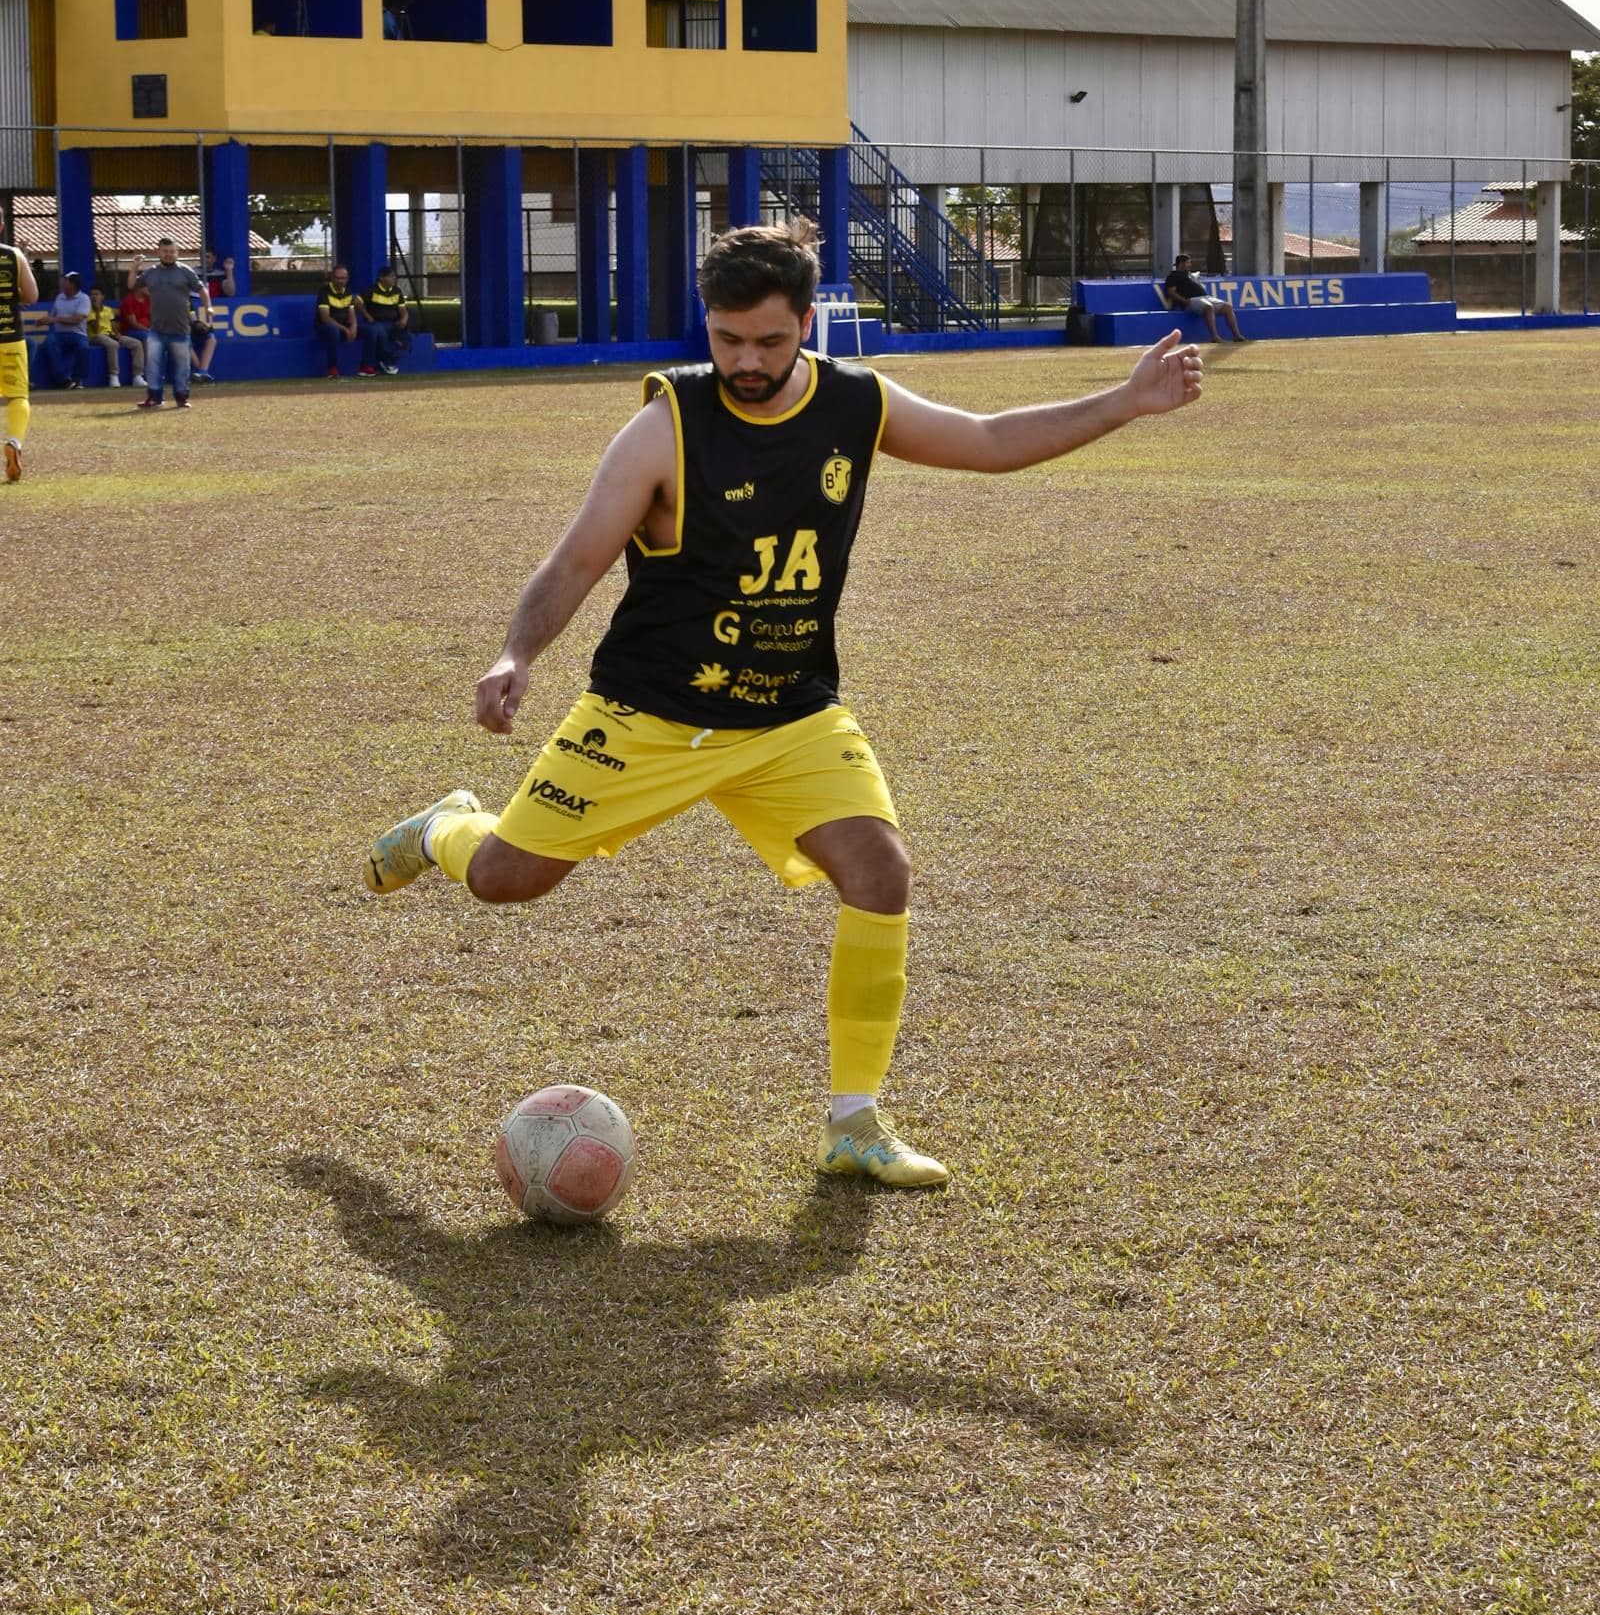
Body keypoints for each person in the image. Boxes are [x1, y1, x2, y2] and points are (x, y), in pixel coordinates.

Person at [366, 220, 1204, 1192]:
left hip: (790, 713)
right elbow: (577, 557)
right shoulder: (665, 425)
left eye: (769, 340)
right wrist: (515, 653)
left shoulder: (856, 401)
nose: (746, 361)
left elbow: (984, 441)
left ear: (807, 322)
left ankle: (855, 1123)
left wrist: (1127, 401)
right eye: (726, 339)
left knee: (879, 871)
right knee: (508, 879)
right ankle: (447, 829)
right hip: (649, 711)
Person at [138, 236, 199, 410]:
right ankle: (154, 397)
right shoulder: (151, 272)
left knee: (182, 367)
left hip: (180, 329)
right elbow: (134, 285)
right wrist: (134, 267)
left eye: (172, 251)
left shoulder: (185, 271)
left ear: (177, 252)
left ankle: (181, 398)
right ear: (158, 252)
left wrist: (208, 307)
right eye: (165, 251)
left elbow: (201, 289)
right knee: (153, 365)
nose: (169, 254)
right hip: (156, 329)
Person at [1, 226, 39, 481]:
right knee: (17, 396)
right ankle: (14, 442)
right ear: (2, 226)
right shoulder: (14, 255)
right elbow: (32, 296)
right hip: (11, 335)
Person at [1160, 254, 1245, 344]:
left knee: (1227, 306)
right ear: (1181, 264)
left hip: (1205, 297)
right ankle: (1214, 337)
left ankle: (1237, 335)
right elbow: (1171, 292)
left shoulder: (1189, 275)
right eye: (1188, 263)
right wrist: (1185, 301)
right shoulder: (1173, 276)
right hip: (1191, 300)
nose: (1190, 265)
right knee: (1209, 307)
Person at [42, 271, 93, 389]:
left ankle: (78, 379)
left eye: (65, 280)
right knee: (49, 343)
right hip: (59, 334)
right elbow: (52, 316)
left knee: (83, 347)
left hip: (78, 334)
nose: (63, 283)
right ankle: (63, 381)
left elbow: (77, 319)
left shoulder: (84, 298)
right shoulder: (59, 297)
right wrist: (44, 320)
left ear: (73, 284)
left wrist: (55, 319)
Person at [359, 263, 411, 375]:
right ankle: (386, 361)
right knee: (379, 331)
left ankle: (390, 356)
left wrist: (404, 319)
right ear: (381, 278)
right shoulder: (372, 290)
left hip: (393, 323)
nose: (394, 278)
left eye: (394, 276)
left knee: (404, 333)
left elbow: (403, 309)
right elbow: (357, 302)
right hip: (376, 322)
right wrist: (368, 316)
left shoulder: (396, 291)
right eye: (391, 276)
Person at [315, 265, 359, 377]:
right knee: (333, 332)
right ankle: (332, 369)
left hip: (344, 327)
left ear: (347, 279)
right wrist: (345, 329)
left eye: (343, 278)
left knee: (373, 331)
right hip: (325, 327)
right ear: (332, 278)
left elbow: (352, 314)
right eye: (338, 278)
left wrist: (353, 327)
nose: (341, 281)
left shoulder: (348, 293)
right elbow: (325, 318)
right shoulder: (324, 291)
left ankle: (368, 367)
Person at [115, 275, 151, 393]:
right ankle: (146, 372)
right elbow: (133, 323)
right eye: (147, 286)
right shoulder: (128, 300)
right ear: (139, 287)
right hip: (130, 332)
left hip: (145, 330)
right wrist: (149, 331)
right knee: (147, 337)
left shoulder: (149, 299)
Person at [86, 285, 122, 385]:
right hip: (96, 336)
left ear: (102, 297)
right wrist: (97, 312)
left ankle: (137, 376)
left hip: (110, 335)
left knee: (135, 343)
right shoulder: (88, 310)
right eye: (91, 295)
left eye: (96, 294)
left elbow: (113, 326)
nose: (93, 297)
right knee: (113, 345)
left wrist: (118, 334)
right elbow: (96, 329)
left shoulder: (108, 309)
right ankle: (113, 376)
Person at [189, 270, 218, 382]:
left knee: (211, 339)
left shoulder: (187, 301)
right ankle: (200, 371)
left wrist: (200, 326)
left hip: (188, 328)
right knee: (183, 341)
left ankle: (202, 372)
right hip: (177, 331)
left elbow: (191, 315)